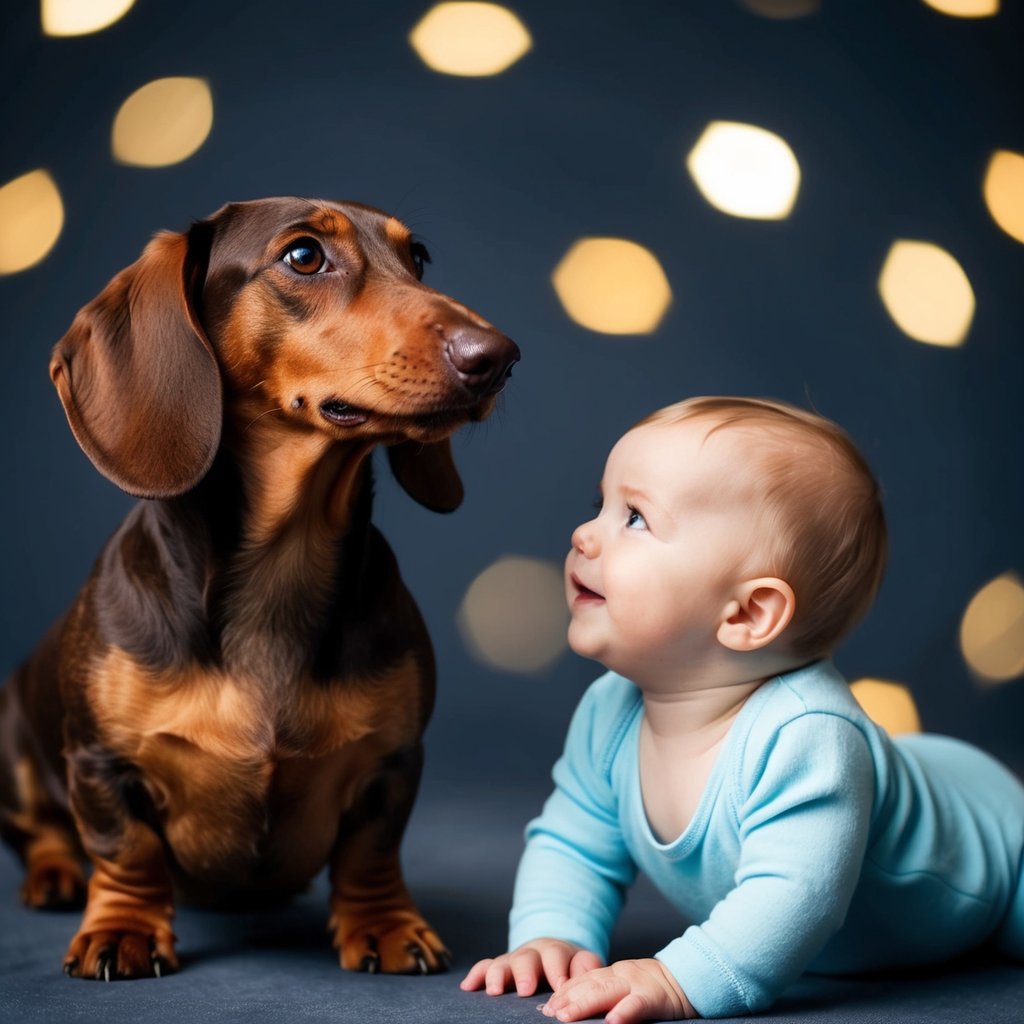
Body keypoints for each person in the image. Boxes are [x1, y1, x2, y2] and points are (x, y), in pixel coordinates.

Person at [460, 396, 1024, 1022]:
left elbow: (797, 897)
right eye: (601, 507)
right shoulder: (609, 711)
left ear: (748, 613)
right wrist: (552, 935)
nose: (584, 534)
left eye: (637, 518)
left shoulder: (807, 737)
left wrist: (680, 978)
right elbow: (574, 842)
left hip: (996, 847)